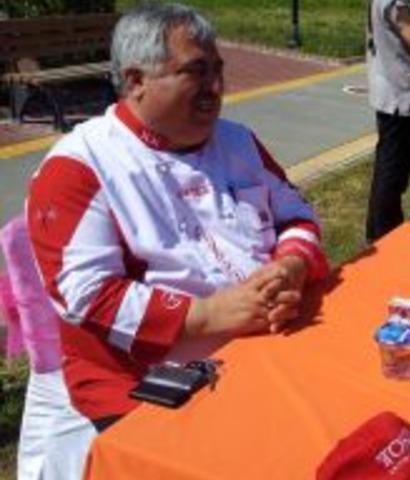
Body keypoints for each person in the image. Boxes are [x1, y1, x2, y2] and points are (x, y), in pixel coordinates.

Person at [25, 4, 328, 478]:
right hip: (142, 379)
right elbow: (84, 293)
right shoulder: (79, 167)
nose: (215, 88)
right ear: (135, 81)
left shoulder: (238, 141)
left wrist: (289, 265)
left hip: (269, 340)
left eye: (218, 71)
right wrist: (205, 315)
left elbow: (300, 218)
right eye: (195, 72)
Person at [366, 0, 410, 242]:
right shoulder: (395, 4)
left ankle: (376, 226)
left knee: (386, 162)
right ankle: (385, 227)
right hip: (399, 94)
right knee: (393, 167)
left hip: (387, 90)